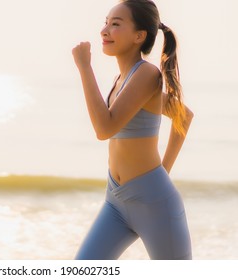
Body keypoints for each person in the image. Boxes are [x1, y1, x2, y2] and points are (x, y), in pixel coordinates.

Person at [72, 0, 194, 260]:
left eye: (116, 24)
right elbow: (185, 115)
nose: (105, 30)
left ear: (139, 36)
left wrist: (85, 67)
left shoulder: (147, 74)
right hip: (115, 200)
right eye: (105, 22)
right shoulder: (122, 80)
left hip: (154, 203)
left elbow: (104, 128)